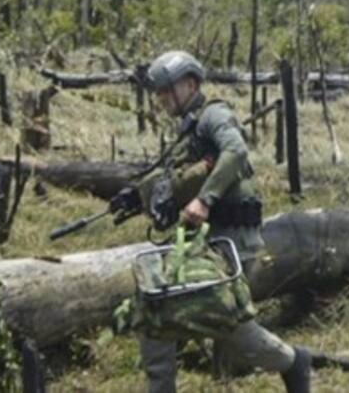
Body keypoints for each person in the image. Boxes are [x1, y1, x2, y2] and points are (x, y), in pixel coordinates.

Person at [110, 50, 310, 393]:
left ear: (190, 84)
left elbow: (236, 151)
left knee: (228, 327)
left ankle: (293, 362)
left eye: (167, 90)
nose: (161, 98)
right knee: (156, 308)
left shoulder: (214, 115)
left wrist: (204, 200)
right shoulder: (188, 129)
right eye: (158, 92)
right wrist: (138, 195)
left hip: (232, 242)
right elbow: (179, 179)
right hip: (205, 242)